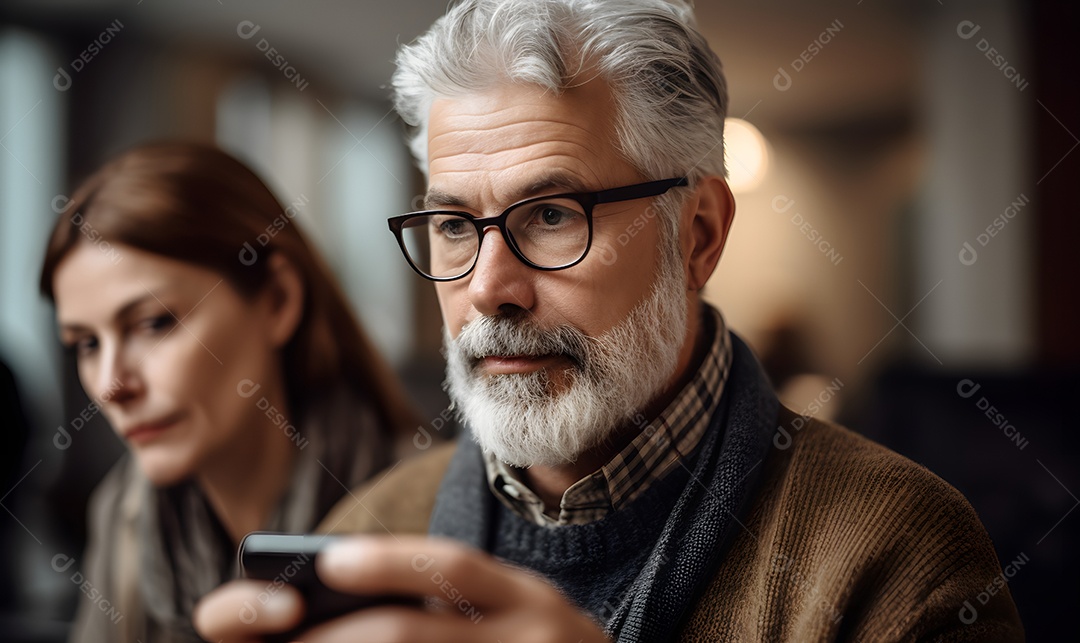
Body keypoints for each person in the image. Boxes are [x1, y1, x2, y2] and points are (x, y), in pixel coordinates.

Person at [194, 1, 1026, 641]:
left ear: (696, 234)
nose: (490, 289)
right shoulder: (365, 535)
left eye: (552, 215)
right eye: (453, 225)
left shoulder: (899, 559)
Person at [40, 142, 419, 643]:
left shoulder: (433, 506)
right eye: (86, 343)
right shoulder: (126, 510)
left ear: (278, 300)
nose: (111, 384)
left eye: (155, 322)